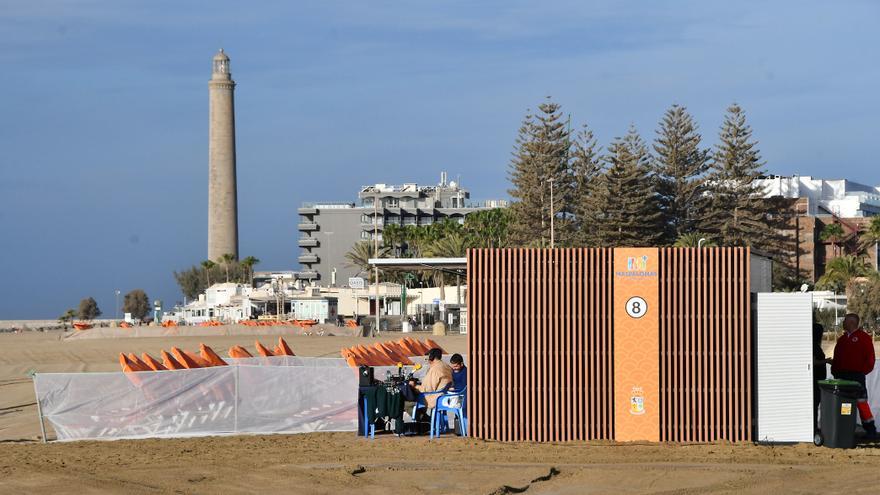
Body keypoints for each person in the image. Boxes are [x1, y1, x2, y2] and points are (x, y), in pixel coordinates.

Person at [831, 313, 877, 439]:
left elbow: (870, 359)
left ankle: (870, 430)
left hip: (857, 376)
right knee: (844, 403)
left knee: (861, 403)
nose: (843, 323)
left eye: (845, 321)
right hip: (842, 377)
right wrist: (835, 371)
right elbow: (837, 358)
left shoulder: (864, 338)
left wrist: (861, 372)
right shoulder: (841, 340)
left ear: (851, 322)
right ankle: (845, 429)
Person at [813, 322, 829, 430]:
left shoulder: (815, 345)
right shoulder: (814, 346)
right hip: (815, 380)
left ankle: (814, 426)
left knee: (815, 403)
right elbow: (813, 362)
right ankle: (813, 427)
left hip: (818, 379)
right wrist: (826, 361)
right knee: (814, 403)